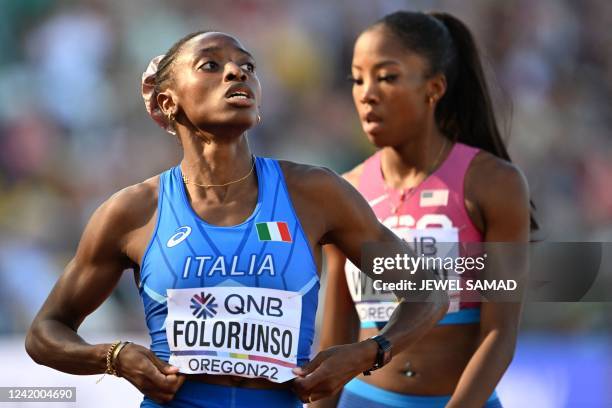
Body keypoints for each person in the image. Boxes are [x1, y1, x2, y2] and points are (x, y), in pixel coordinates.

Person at [25, 30, 448, 408]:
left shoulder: (315, 193)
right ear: (168, 101)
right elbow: (46, 332)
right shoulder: (134, 211)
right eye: (212, 64)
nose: (237, 73)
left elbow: (427, 292)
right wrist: (113, 357)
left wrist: (366, 352)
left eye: (248, 66)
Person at [316, 11, 534, 408]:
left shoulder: (493, 183)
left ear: (433, 88)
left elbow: (500, 333)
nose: (367, 93)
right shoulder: (345, 191)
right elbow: (335, 337)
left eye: (387, 77)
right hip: (364, 399)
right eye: (357, 79)